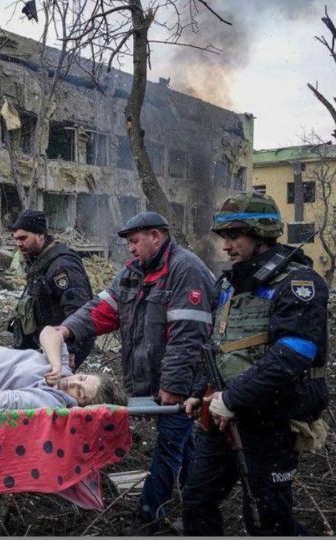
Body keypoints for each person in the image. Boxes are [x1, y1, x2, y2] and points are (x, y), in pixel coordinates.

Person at [55, 211, 215, 531]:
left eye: (134, 241)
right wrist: (67, 330)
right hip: (154, 380)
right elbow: (102, 309)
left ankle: (149, 514)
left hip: (184, 381)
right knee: (184, 443)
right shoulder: (132, 272)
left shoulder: (186, 270)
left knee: (169, 446)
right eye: (129, 243)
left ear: (156, 236)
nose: (130, 249)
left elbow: (188, 338)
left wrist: (174, 385)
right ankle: (198, 499)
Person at [181, 192, 329, 535]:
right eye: (224, 237)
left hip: (270, 420)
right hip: (220, 415)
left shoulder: (298, 284)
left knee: (267, 519)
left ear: (261, 233)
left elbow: (293, 356)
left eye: (235, 236)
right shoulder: (231, 284)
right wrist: (196, 391)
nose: (226, 246)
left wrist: (232, 400)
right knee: (196, 500)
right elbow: (219, 346)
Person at [8, 209, 94, 369]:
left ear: (40, 235)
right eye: (16, 239)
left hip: (61, 343)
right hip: (45, 341)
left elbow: (78, 309)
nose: (18, 244)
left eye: (23, 238)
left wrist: (70, 348)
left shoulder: (62, 265)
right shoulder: (39, 260)